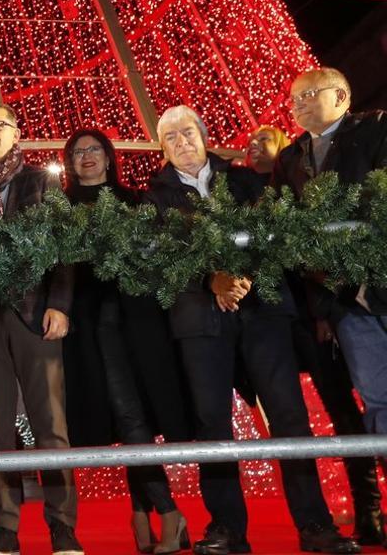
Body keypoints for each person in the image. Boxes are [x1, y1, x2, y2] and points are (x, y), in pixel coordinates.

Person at [145, 106, 356, 555]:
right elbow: (162, 255)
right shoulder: (152, 197)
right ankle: (227, 530)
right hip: (200, 320)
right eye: (171, 138)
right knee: (212, 423)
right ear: (162, 148)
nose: (182, 142)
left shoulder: (244, 180)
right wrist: (211, 280)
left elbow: (272, 233)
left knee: (289, 417)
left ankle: (315, 525)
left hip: (262, 310)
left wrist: (240, 276)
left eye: (188, 132)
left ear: (204, 137)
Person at [0, 102, 82, 555]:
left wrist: (60, 305)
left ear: (16, 132)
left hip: (34, 312)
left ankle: (62, 527)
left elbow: (64, 245)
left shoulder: (41, 181)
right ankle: (5, 529)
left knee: (50, 424)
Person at [60, 130, 192, 554]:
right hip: (88, 322)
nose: (86, 157)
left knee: (135, 414)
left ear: (109, 156)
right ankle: (164, 511)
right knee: (124, 414)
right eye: (78, 152)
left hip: (138, 320)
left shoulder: (137, 201)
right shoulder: (58, 206)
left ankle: (151, 512)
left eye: (93, 150)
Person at [272, 67, 387, 545]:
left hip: (379, 276)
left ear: (341, 95)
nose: (296, 106)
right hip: (344, 301)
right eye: (293, 99)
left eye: (308, 96)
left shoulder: (377, 129)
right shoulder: (291, 158)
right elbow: (286, 226)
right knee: (378, 400)